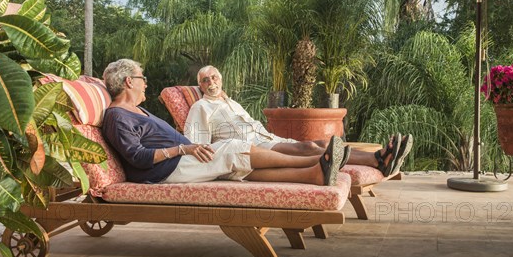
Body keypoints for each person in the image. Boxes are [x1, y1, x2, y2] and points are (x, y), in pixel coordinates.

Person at [101, 59, 346, 186]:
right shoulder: (117, 116)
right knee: (231, 147)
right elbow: (138, 157)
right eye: (142, 78)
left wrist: (186, 149)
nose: (145, 83)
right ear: (128, 82)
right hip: (166, 170)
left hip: (181, 161)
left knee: (237, 162)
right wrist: (183, 148)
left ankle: (314, 173)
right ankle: (317, 161)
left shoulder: (136, 110)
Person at [185, 65, 413, 177]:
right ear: (201, 85)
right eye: (205, 80)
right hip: (250, 148)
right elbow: (196, 144)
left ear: (221, 79)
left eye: (213, 77)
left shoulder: (231, 102)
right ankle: (378, 160)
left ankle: (379, 158)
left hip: (267, 138)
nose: (210, 82)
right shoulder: (200, 107)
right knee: (309, 147)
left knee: (324, 144)